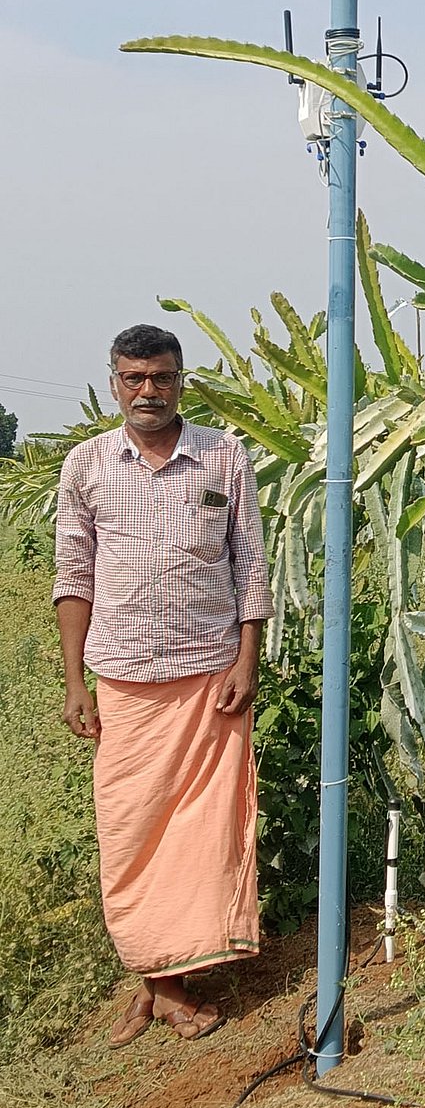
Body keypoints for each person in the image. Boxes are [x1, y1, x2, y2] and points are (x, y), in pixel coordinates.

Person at [53, 323, 273, 1046]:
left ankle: (170, 984)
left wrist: (247, 660)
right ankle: (156, 975)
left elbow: (250, 565)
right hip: (124, 679)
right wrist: (74, 680)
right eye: (133, 378)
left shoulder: (224, 455)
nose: (148, 391)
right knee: (130, 832)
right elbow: (72, 576)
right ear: (114, 383)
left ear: (183, 381)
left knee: (202, 834)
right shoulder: (87, 465)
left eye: (161, 378)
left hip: (210, 676)